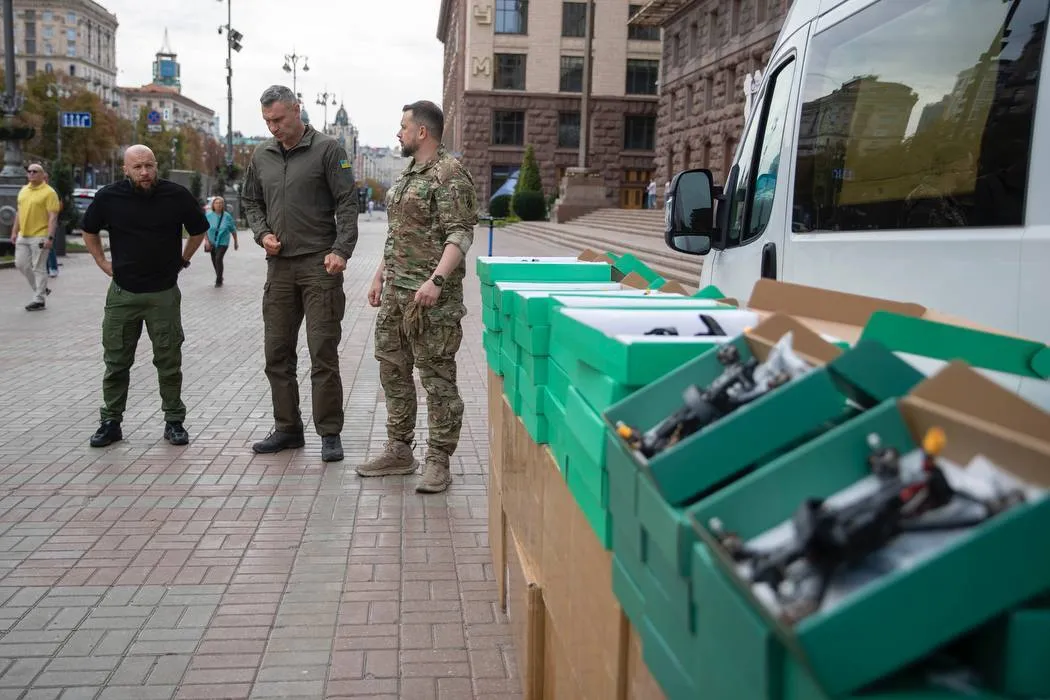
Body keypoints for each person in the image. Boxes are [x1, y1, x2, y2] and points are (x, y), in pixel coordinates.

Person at [357, 100, 478, 494]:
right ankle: (399, 449)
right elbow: (398, 235)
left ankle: (439, 460)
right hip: (395, 294)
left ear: (421, 132)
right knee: (392, 369)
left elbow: (459, 233)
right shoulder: (409, 174)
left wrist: (436, 281)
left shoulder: (449, 174)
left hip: (431, 300)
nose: (399, 133)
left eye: (403, 126)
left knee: (437, 378)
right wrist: (378, 277)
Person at [241, 84, 359, 463]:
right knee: (277, 352)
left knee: (322, 351)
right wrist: (262, 233)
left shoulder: (327, 150)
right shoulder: (261, 155)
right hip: (279, 268)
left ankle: (329, 432)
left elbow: (347, 202)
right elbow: (250, 200)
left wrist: (341, 250)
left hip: (320, 266)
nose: (273, 127)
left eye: (278, 119)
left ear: (297, 109)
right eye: (267, 121)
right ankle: (288, 428)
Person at [80, 145, 209, 448]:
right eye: (137, 167)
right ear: (125, 169)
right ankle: (111, 421)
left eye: (149, 165)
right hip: (123, 293)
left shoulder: (175, 195)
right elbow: (88, 229)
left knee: (169, 360)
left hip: (162, 294)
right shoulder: (109, 197)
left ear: (156, 165)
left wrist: (183, 260)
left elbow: (198, 230)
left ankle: (174, 421)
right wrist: (101, 262)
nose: (144, 173)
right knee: (116, 362)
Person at [12, 162, 60, 311]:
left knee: (39, 267)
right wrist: (14, 231)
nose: (31, 174)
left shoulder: (49, 192)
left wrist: (50, 238)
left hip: (40, 235)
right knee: (21, 264)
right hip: (23, 235)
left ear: (42, 175)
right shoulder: (23, 190)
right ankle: (41, 289)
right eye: (29, 171)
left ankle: (39, 299)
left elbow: (53, 217)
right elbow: (19, 213)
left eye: (35, 171)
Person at [204, 196, 238, 287]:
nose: (218, 205)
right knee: (214, 260)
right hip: (212, 242)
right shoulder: (208, 216)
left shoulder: (227, 216)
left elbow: (233, 230)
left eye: (220, 203)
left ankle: (218, 280)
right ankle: (219, 275)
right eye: (216, 203)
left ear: (223, 205)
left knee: (218, 258)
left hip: (223, 242)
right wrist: (206, 241)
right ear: (213, 205)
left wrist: (235, 242)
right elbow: (205, 230)